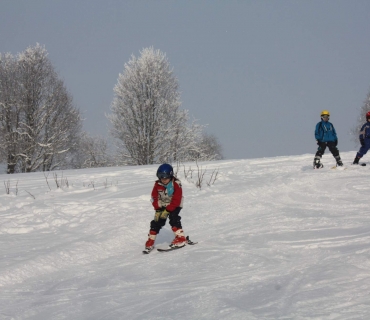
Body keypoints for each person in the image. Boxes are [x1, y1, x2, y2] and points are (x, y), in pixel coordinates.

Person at [144, 163, 186, 252]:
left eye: (166, 177)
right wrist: (158, 208)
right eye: (161, 177)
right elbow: (154, 197)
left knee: (173, 218)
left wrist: (168, 210)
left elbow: (177, 199)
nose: (163, 180)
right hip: (163, 204)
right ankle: (151, 240)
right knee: (157, 221)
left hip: (175, 205)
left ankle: (180, 238)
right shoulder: (157, 184)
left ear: (170, 176)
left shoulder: (176, 184)